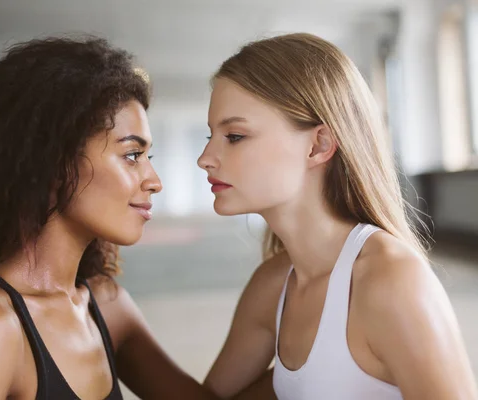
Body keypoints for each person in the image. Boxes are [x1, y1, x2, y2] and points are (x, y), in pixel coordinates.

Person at [0, 37, 234, 400]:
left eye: (149, 157)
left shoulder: (106, 305)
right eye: (132, 155)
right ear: (52, 162)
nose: (154, 181)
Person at [198, 33, 478, 399]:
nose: (205, 157)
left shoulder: (390, 281)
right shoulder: (272, 286)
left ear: (318, 145)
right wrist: (123, 328)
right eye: (210, 135)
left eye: (234, 136)